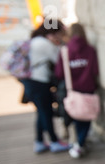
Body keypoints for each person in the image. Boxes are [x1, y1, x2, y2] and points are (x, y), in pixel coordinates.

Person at [21, 19, 71, 154]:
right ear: (53, 32)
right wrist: (60, 44)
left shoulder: (35, 40)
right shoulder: (44, 44)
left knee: (41, 112)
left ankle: (39, 142)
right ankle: (54, 142)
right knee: (46, 112)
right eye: (60, 33)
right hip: (39, 82)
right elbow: (59, 59)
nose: (61, 36)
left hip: (31, 81)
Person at [54, 23, 99, 159]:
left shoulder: (65, 51)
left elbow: (59, 73)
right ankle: (80, 142)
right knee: (86, 116)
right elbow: (95, 70)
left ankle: (79, 143)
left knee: (77, 116)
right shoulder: (90, 50)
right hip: (88, 88)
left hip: (72, 90)